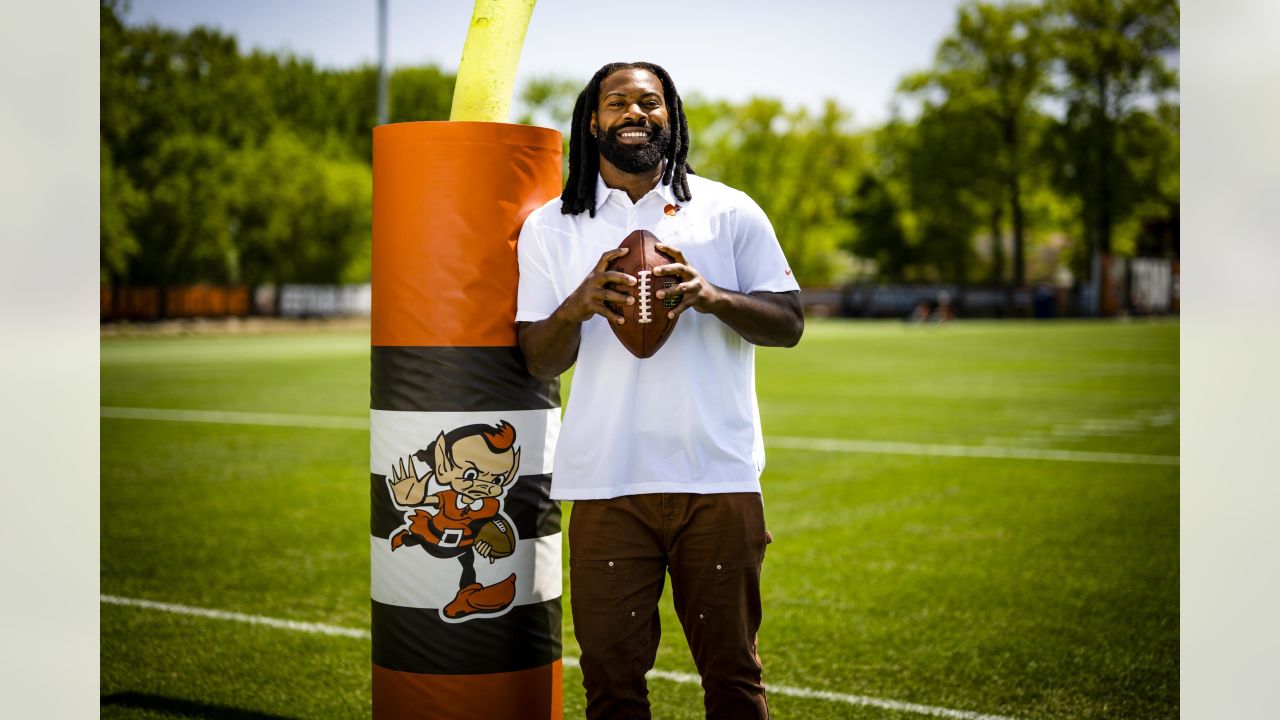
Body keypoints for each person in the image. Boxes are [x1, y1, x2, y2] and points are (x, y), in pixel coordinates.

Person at [515, 61, 803, 719]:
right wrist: (577, 306)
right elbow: (537, 360)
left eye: (650, 102)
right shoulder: (552, 226)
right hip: (605, 483)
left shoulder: (728, 210)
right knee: (612, 688)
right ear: (594, 120)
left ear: (671, 116)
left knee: (734, 680)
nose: (634, 114)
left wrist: (711, 295)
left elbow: (788, 323)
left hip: (718, 479)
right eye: (617, 102)